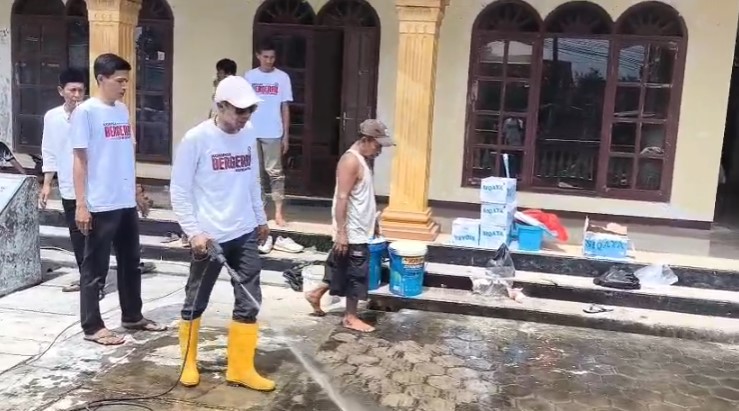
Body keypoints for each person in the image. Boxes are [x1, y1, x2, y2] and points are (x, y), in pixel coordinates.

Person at [170, 75, 273, 391]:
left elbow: (252, 179)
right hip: (210, 237)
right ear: (221, 106)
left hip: (244, 231)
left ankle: (240, 368)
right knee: (196, 298)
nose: (245, 117)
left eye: (250, 111)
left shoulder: (248, 133)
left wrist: (260, 218)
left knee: (249, 299)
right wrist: (194, 232)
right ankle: (188, 362)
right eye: (239, 111)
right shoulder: (196, 139)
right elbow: (179, 190)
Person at [71, 53, 166, 346]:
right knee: (95, 266)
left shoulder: (122, 110)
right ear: (101, 79)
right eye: (120, 81)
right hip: (101, 202)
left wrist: (136, 191)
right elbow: (79, 160)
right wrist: (81, 204)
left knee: (131, 262)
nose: (125, 86)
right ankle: (92, 326)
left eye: (127, 81)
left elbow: (125, 154)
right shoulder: (86, 112)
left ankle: (132, 315)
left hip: (124, 200)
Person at [304, 120, 394, 332]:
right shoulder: (351, 161)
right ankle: (350, 317)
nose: (379, 150)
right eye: (377, 145)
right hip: (352, 230)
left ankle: (315, 294)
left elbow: (363, 196)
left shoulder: (362, 160)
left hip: (360, 228)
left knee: (340, 266)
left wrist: (374, 222)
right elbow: (342, 198)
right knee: (356, 274)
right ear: (366, 140)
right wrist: (342, 233)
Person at [39, 68, 107, 297]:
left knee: (95, 236)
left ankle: (97, 283)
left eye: (81, 90)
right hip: (68, 187)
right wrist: (47, 184)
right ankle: (86, 278)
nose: (77, 95)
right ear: (61, 91)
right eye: (72, 90)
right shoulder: (52, 117)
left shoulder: (91, 115)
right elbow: (49, 150)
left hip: (93, 186)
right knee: (77, 237)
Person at [245, 38, 292, 230]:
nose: (269, 60)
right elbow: (244, 106)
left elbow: (285, 107)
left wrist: (286, 135)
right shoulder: (249, 76)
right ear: (258, 56)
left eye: (272, 57)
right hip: (252, 131)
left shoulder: (282, 77)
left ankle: (279, 212)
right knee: (255, 174)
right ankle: (260, 212)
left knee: (275, 173)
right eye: (265, 57)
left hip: (273, 131)